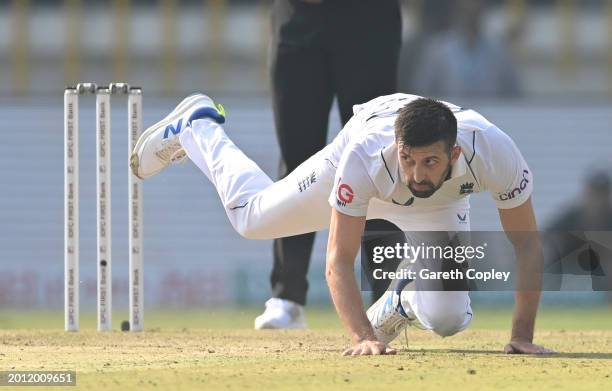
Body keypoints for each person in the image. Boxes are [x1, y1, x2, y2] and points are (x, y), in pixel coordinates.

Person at [130, 93, 553, 355]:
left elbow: (527, 246)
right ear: (397, 148)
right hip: (355, 159)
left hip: (437, 207)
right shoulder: (367, 157)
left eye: (431, 162)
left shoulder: (496, 153)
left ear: (455, 155)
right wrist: (362, 337)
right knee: (250, 219)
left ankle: (401, 299)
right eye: (409, 159)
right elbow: (339, 258)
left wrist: (521, 335)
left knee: (448, 320)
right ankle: (198, 126)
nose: (417, 174)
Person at [265, 0, 402, 329]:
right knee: (296, 156)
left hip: (368, 18)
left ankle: (386, 299)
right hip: (297, 16)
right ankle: (287, 296)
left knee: (378, 158)